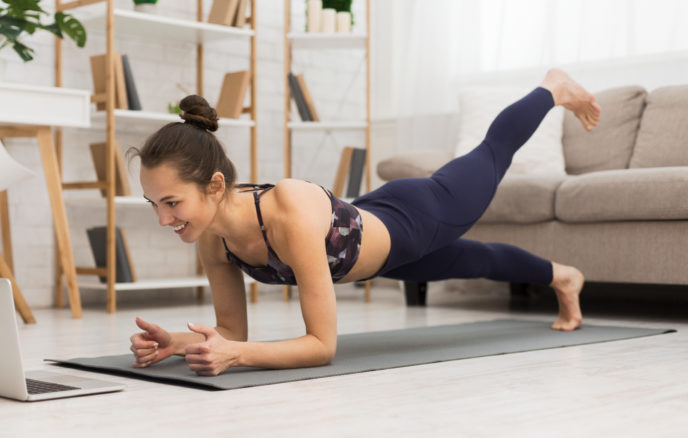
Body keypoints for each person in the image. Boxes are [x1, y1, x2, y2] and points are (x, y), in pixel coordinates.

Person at [128, 68, 601, 377]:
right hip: (382, 246)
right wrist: (177, 343)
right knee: (477, 260)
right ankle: (564, 275)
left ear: (213, 187)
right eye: (153, 204)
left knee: (491, 153)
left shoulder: (285, 212)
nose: (163, 218)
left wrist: (238, 356)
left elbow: (321, 346)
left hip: (419, 214)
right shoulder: (214, 240)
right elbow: (231, 332)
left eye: (171, 202)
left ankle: (552, 88)